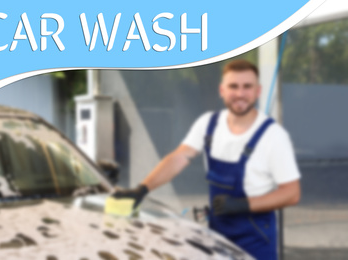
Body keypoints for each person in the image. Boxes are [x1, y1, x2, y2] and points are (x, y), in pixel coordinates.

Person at [112, 59, 301, 260]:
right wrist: (142, 189)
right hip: (218, 234)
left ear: (258, 91)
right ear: (222, 90)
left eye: (247, 87)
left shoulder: (273, 136)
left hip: (256, 239)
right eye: (233, 86)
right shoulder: (208, 124)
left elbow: (291, 193)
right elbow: (179, 158)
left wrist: (244, 205)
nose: (240, 93)